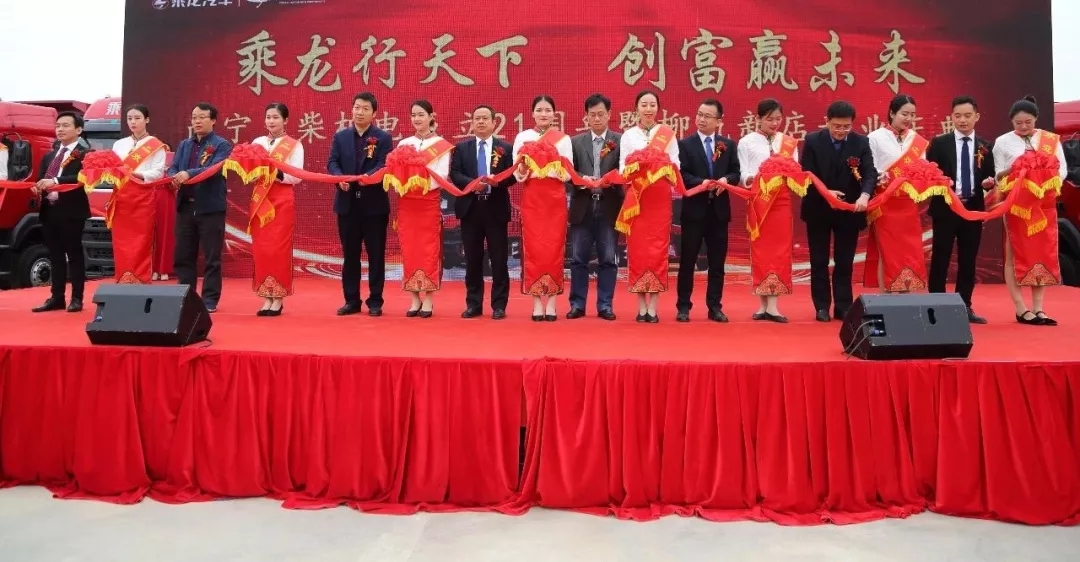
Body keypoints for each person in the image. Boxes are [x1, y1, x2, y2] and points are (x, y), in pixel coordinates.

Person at [992, 95, 1068, 326]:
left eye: (1028, 122)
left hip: (1043, 204)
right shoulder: (1002, 142)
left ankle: (1038, 308)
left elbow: (1062, 171)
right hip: (1017, 205)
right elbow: (998, 176)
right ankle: (1020, 308)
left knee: (1041, 252)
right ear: (1011, 122)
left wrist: (1042, 183)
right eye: (1018, 123)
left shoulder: (1050, 140)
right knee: (1014, 253)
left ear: (1036, 119)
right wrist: (1016, 172)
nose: (1023, 126)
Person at [800, 100, 877, 322]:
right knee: (819, 260)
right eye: (836, 126)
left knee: (844, 260)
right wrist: (826, 192)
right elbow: (805, 174)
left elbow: (870, 172)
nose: (841, 131)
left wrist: (865, 195)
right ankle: (822, 306)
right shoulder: (813, 140)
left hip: (849, 210)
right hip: (819, 208)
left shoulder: (861, 142)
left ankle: (843, 306)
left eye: (846, 126)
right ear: (827, 121)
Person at [926, 96, 995, 323]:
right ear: (951, 117)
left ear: (977, 116)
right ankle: (935, 305)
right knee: (941, 257)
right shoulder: (939, 143)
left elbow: (989, 176)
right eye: (958, 116)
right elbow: (929, 175)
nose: (962, 120)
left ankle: (965, 306)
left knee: (968, 259)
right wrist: (941, 182)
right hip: (945, 209)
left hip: (972, 209)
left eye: (967, 116)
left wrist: (989, 182)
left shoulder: (985, 146)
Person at [328, 92, 393, 316]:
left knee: (376, 255)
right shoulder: (341, 137)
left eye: (365, 108)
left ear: (374, 113)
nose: (360, 112)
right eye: (357, 107)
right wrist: (340, 179)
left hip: (374, 206)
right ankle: (351, 300)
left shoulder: (383, 138)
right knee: (350, 255)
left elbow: (384, 164)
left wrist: (369, 178)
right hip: (347, 205)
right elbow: (332, 162)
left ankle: (375, 301)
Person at [618, 90, 680, 323]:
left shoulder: (667, 134)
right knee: (639, 250)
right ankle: (640, 305)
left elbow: (675, 166)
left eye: (652, 104)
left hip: (659, 197)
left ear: (658, 108)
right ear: (636, 108)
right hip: (637, 198)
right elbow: (623, 169)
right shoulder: (628, 135)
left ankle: (653, 306)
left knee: (658, 249)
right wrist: (639, 166)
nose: (648, 109)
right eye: (644, 104)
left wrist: (660, 165)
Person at [676, 98, 740, 323]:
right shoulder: (685, 144)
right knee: (688, 261)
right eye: (699, 114)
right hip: (694, 211)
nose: (701, 119)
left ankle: (714, 306)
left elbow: (736, 173)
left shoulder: (728, 145)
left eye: (707, 116)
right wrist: (701, 183)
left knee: (717, 263)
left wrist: (725, 180)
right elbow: (682, 174)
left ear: (719, 121)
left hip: (719, 213)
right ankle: (683, 306)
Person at [449, 105, 516, 320]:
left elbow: (512, 176)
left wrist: (496, 182)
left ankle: (499, 305)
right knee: (472, 259)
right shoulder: (462, 148)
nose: (480, 122)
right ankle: (474, 304)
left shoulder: (505, 148)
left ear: (494, 122)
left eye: (485, 118)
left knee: (499, 259)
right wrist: (472, 184)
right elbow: (455, 174)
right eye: (476, 118)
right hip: (470, 208)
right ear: (472, 123)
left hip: (495, 208)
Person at [736, 98, 799, 323]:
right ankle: (763, 304)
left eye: (778, 119)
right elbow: (742, 173)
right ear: (758, 119)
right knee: (761, 251)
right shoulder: (746, 142)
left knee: (779, 251)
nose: (774, 123)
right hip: (759, 202)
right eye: (769, 119)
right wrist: (753, 178)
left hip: (781, 203)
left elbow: (796, 173)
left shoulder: (789, 143)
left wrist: (788, 175)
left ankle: (773, 306)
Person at [512, 95, 574, 321]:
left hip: (555, 199)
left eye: (548, 110)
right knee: (534, 249)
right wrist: (524, 170)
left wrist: (550, 165)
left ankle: (553, 302)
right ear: (532, 113)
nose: (544, 114)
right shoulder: (523, 137)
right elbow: (517, 172)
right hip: (533, 199)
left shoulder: (563, 139)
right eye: (539, 110)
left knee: (554, 249)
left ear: (554, 113)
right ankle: (537, 302)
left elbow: (568, 173)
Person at [168, 102, 233, 313]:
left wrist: (188, 174)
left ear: (213, 120)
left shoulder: (222, 145)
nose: (197, 121)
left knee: (212, 257)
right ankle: (185, 297)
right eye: (194, 117)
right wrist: (173, 177)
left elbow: (214, 169)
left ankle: (209, 300)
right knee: (183, 256)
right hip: (185, 207)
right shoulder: (184, 145)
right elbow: (173, 168)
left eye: (202, 117)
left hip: (210, 208)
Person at [865, 94, 929, 294]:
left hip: (908, 203)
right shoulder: (875, 138)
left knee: (909, 250)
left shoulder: (917, 140)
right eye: (904, 114)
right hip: (885, 202)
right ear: (892, 113)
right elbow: (869, 168)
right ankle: (886, 297)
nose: (909, 118)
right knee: (887, 251)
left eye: (912, 115)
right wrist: (880, 175)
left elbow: (922, 167)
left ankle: (906, 296)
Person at [567, 93, 622, 321]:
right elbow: (568, 173)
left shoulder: (620, 141)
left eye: (601, 114)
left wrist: (610, 180)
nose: (597, 118)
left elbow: (625, 171)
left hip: (609, 205)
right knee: (578, 259)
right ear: (586, 117)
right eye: (592, 115)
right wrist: (583, 179)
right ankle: (577, 304)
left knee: (608, 258)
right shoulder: (575, 142)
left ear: (609, 114)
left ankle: (605, 305)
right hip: (583, 205)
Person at [396, 100, 452, 318]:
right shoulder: (404, 143)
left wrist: (419, 182)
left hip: (428, 202)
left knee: (428, 250)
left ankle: (428, 298)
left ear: (431, 116)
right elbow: (396, 171)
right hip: (407, 203)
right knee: (409, 249)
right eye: (413, 115)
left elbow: (442, 176)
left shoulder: (441, 144)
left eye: (421, 114)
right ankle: (414, 298)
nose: (417, 119)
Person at [30, 112, 89, 313]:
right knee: (55, 255)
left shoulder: (86, 154)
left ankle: (77, 298)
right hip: (50, 210)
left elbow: (82, 178)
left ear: (78, 130)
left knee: (74, 254)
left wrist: (55, 181)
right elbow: (41, 178)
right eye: (58, 126)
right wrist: (37, 187)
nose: (60, 129)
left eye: (65, 125)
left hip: (72, 211)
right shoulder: (50, 155)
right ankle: (57, 297)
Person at [250, 102, 304, 317]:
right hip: (260, 199)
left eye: (275, 117)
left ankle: (278, 297)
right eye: (268, 117)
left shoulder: (294, 145)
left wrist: (275, 172)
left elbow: (296, 176)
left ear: (285, 120)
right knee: (262, 249)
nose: (271, 121)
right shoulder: (257, 142)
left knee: (278, 249)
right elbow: (250, 170)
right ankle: (266, 295)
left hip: (281, 200)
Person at [110, 104, 168, 285]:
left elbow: (158, 173)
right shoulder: (119, 144)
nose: (133, 122)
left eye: (137, 118)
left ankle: (139, 278)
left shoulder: (156, 145)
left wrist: (136, 174)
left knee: (141, 240)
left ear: (147, 120)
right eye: (129, 118)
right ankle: (122, 277)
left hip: (142, 196)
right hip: (121, 196)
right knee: (121, 241)